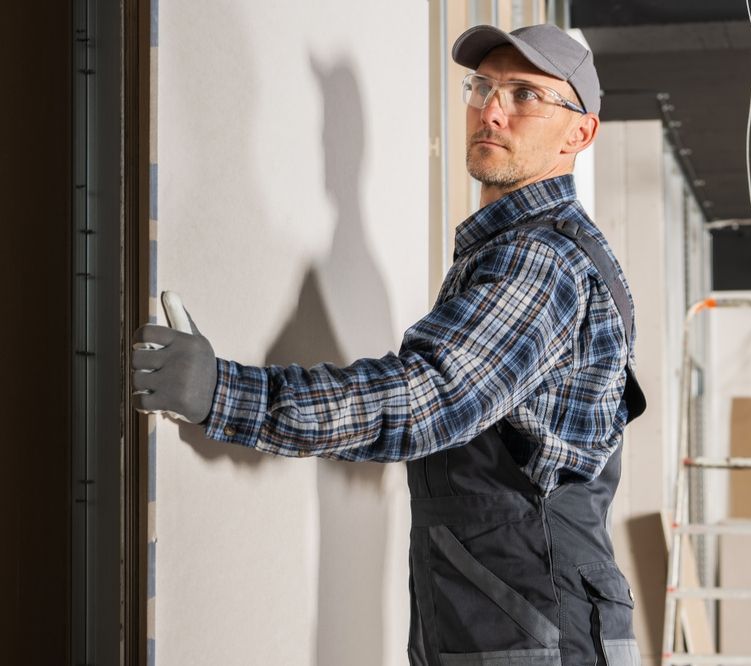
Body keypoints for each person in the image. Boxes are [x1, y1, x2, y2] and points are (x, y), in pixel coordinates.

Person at [132, 23, 646, 666]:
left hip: (534, 629)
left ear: (581, 132)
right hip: (507, 619)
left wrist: (223, 392)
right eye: (483, 86)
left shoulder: (538, 261)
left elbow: (426, 398)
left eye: (525, 95)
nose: (491, 109)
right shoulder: (528, 248)